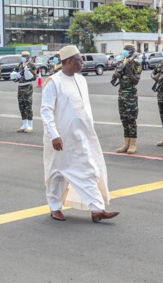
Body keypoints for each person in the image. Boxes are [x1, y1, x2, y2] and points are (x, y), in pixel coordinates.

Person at [40, 45, 119, 223]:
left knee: (89, 169)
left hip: (82, 136)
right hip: (60, 138)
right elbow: (46, 111)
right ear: (68, 62)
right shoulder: (53, 82)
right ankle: (55, 207)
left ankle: (97, 209)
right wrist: (54, 135)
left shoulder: (81, 80)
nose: (82, 63)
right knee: (56, 174)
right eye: (79, 60)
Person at [113, 43, 142, 154]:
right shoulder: (120, 63)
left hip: (131, 94)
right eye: (124, 49)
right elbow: (116, 77)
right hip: (121, 94)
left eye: (127, 49)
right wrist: (116, 75)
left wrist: (129, 70)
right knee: (124, 119)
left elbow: (135, 81)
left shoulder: (136, 64)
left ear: (132, 51)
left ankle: (133, 144)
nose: (125, 51)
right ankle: (126, 143)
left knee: (131, 119)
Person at [11, 51, 37, 133]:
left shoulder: (31, 65)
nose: (23, 58)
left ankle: (30, 125)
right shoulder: (20, 65)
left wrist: (27, 72)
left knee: (28, 105)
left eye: (25, 56)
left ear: (28, 57)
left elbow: (34, 77)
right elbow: (15, 78)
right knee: (21, 105)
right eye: (22, 56)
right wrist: (16, 75)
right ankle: (24, 124)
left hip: (27, 86)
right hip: (20, 86)